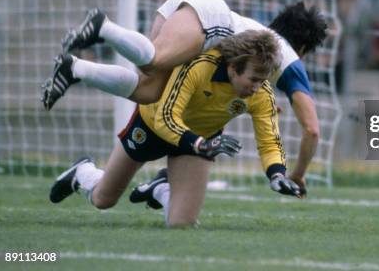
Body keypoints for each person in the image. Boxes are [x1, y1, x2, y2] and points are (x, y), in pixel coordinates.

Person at [42, 0, 327, 194]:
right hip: (208, 15)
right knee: (155, 60)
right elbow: (311, 128)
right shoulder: (288, 60)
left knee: (149, 89)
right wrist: (297, 174)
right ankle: (104, 27)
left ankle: (76, 69)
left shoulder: (261, 44)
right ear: (301, 49)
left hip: (196, 16)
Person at [48, 30, 301, 228]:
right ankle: (82, 172)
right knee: (103, 199)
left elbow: (270, 141)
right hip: (153, 125)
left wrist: (277, 176)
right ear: (233, 68)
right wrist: (201, 144)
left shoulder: (261, 94)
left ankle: (160, 188)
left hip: (200, 140)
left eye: (264, 80)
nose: (258, 87)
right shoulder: (199, 68)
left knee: (182, 224)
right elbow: (165, 117)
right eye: (254, 79)